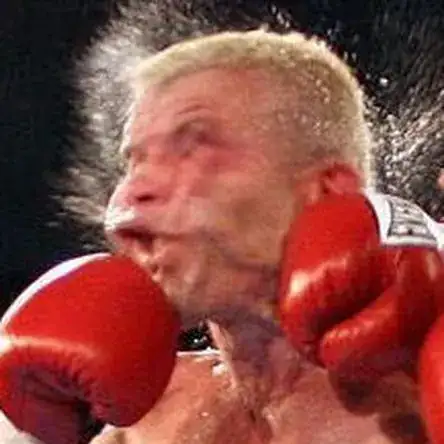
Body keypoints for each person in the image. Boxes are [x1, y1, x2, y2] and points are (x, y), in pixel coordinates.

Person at [1, 29, 444, 444]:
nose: (131, 191)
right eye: (134, 161)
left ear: (326, 192)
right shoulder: (139, 421)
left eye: (193, 147)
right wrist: (31, 431)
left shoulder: (416, 409)